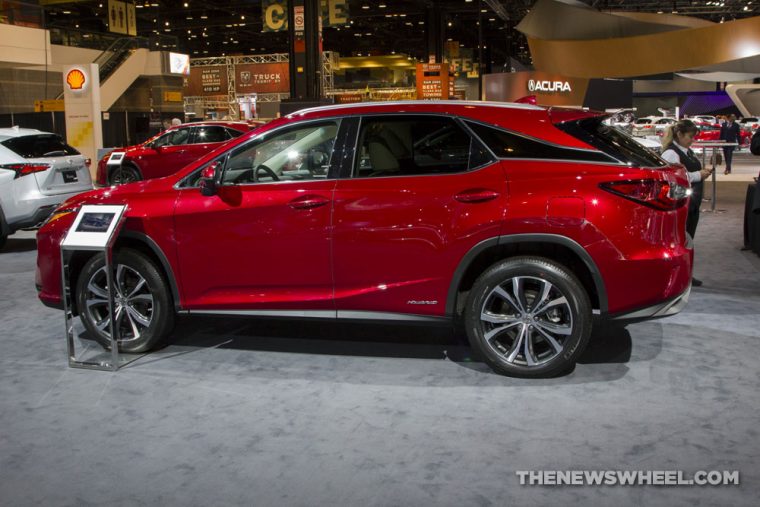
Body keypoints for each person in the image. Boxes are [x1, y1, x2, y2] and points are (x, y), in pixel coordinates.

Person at [661, 119, 714, 287]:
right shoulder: (671, 154)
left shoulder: (687, 151)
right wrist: (699, 175)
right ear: (679, 134)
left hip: (692, 203)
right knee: (680, 240)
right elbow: (674, 177)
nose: (693, 140)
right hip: (682, 203)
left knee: (688, 239)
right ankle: (676, 277)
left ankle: (685, 274)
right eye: (690, 136)